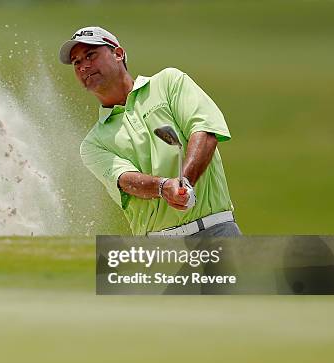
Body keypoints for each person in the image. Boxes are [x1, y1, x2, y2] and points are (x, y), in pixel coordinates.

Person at [59, 26, 242, 237]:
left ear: (118, 54)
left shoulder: (169, 82)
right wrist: (165, 187)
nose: (83, 66)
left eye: (91, 55)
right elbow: (125, 180)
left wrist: (185, 182)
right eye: (76, 62)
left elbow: (204, 130)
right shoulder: (93, 143)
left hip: (216, 230)